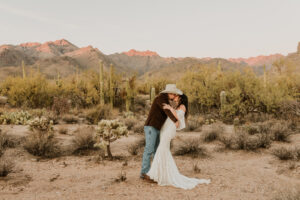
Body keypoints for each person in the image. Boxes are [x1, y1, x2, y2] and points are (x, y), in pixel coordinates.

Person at [146, 94, 211, 189]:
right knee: (163, 149)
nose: (175, 96)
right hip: (166, 127)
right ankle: (159, 174)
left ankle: (156, 174)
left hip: (170, 128)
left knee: (162, 148)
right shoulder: (177, 106)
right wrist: (170, 107)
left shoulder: (183, 106)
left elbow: (178, 117)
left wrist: (170, 108)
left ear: (181, 98)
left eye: (177, 96)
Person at [140, 84, 182, 181]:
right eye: (174, 94)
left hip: (157, 128)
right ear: (169, 93)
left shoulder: (166, 100)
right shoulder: (160, 98)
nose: (175, 96)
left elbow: (170, 111)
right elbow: (166, 111)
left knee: (156, 150)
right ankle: (144, 173)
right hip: (151, 127)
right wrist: (175, 121)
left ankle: (155, 173)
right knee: (149, 149)